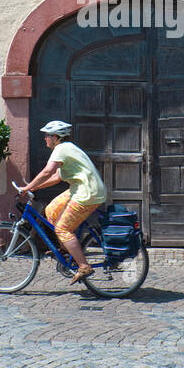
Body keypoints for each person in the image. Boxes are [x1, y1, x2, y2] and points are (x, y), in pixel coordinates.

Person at [17, 120, 107, 285]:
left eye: (47, 135)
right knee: (51, 210)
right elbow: (56, 177)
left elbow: (47, 171)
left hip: (87, 193)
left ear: (55, 137)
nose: (45, 138)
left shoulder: (61, 149)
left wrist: (28, 186)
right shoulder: (67, 148)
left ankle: (83, 265)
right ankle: (66, 249)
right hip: (80, 189)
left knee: (62, 228)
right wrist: (33, 188)